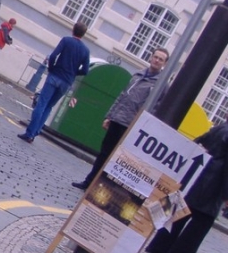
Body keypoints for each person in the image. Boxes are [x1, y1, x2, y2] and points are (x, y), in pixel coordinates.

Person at [71, 47, 170, 189]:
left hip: (131, 127)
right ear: (151, 57)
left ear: (164, 64)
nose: (157, 60)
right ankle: (89, 182)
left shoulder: (161, 85)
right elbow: (122, 96)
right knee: (103, 154)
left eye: (161, 59)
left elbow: (156, 109)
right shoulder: (138, 75)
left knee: (118, 160)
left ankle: (101, 188)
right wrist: (109, 116)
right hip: (117, 120)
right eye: (155, 57)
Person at [145, 121, 228, 253]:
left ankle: (158, 246)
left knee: (179, 213)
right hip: (213, 184)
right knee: (202, 222)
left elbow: (197, 142)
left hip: (198, 176)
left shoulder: (220, 128)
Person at [17, 22, 90, 143]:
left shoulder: (66, 41)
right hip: (67, 81)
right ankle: (35, 132)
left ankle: (29, 133)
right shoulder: (85, 50)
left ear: (73, 30)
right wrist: (73, 73)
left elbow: (53, 56)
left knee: (41, 104)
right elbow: (85, 70)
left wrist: (51, 68)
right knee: (49, 106)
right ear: (83, 34)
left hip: (55, 75)